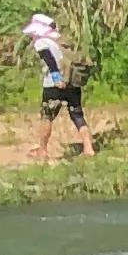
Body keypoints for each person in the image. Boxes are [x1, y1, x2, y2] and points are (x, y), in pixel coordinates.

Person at [25, 13, 87, 159]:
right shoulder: (61, 40)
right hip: (71, 82)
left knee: (47, 116)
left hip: (53, 85)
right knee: (77, 115)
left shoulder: (42, 42)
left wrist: (56, 78)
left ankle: (43, 150)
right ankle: (89, 147)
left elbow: (49, 60)